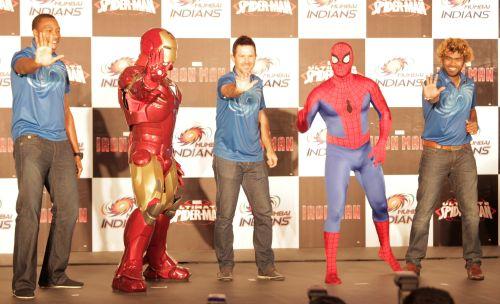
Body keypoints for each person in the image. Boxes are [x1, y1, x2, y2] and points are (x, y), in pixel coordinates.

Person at [297, 42, 401, 285]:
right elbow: (304, 127)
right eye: (335, 59)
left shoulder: (367, 85)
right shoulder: (319, 93)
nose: (340, 64)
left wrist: (382, 142)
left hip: (366, 151)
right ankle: (331, 269)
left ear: (352, 59)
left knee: (381, 206)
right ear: (329, 60)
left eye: (345, 59)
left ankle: (385, 249)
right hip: (338, 154)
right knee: (335, 211)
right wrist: (301, 120)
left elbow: (385, 112)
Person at [10, 13, 84, 299]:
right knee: (29, 210)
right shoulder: (22, 57)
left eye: (56, 29)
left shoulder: (61, 67)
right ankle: (23, 281)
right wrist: (37, 61)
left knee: (68, 209)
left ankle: (54, 274)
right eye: (47, 29)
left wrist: (76, 151)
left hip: (60, 145)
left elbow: (66, 113)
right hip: (30, 140)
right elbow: (24, 67)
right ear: (35, 33)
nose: (53, 34)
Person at [112, 28, 190, 293]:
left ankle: (157, 261)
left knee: (169, 203)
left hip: (166, 152)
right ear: (152, 47)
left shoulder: (170, 84)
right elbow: (136, 93)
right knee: (150, 205)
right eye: (167, 49)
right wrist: (149, 81)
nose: (172, 56)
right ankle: (128, 267)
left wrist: (171, 157)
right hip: (145, 149)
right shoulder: (132, 74)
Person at [405, 38, 483, 280]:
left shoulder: (470, 83)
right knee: (424, 209)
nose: (452, 63)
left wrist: (475, 123)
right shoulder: (433, 83)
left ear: (464, 61)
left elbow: (472, 109)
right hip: (435, 153)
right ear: (442, 58)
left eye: (457, 59)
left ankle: (473, 262)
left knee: (471, 211)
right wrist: (430, 97)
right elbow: (431, 98)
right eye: (448, 58)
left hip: (464, 154)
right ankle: (413, 262)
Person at [213, 35, 284, 282]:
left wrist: (269, 148)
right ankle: (225, 266)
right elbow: (228, 91)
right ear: (233, 57)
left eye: (250, 56)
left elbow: (261, 116)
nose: (246, 61)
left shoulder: (259, 82)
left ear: (255, 58)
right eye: (242, 56)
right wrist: (239, 88)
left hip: (254, 159)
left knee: (264, 214)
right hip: (228, 158)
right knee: (225, 216)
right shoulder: (225, 80)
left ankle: (265, 266)